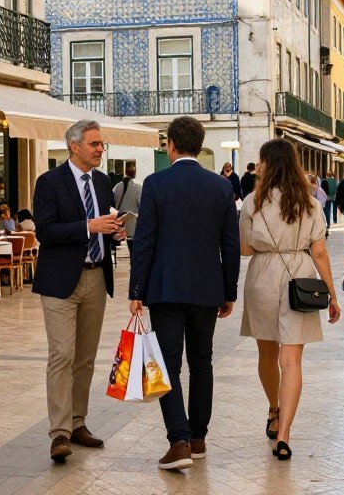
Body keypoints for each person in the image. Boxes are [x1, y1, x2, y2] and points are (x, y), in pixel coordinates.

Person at [129, 116, 240, 470]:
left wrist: (136, 290)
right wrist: (229, 291)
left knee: (169, 365)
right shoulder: (221, 187)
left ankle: (177, 441)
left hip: (165, 288)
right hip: (207, 288)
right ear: (200, 144)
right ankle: (197, 438)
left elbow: (144, 241)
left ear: (170, 145)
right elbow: (231, 245)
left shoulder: (156, 184)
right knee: (202, 363)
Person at [239, 139, 340, 462]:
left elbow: (245, 249)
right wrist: (332, 294)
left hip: (263, 277)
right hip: (301, 276)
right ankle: (284, 435)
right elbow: (320, 251)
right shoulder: (310, 204)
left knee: (267, 354)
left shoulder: (253, 202)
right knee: (292, 361)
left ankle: (273, 409)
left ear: (266, 164)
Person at [32, 120, 126, 464]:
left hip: (96, 278)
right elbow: (45, 231)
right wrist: (88, 226)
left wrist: (113, 233)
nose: (101, 149)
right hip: (59, 282)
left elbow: (103, 224)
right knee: (61, 355)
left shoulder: (103, 182)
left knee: (85, 358)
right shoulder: (49, 182)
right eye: (95, 144)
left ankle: (77, 423)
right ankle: (59, 433)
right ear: (74, 146)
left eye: (102, 144)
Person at [112, 164, 142, 260]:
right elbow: (142, 205)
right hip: (133, 228)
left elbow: (113, 205)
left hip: (119, 227)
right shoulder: (138, 186)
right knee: (134, 256)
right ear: (135, 172)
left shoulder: (117, 187)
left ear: (125, 172)